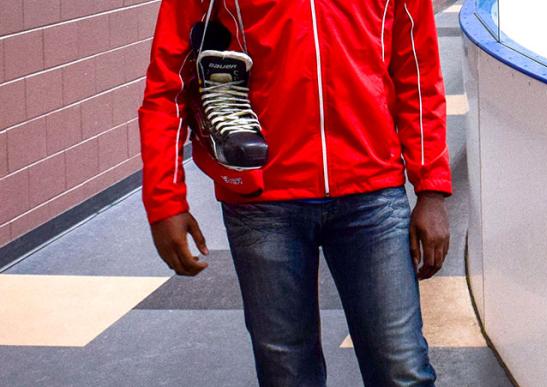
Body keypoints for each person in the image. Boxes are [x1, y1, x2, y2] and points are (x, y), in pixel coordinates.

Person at [138, 0, 452, 385]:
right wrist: (164, 199)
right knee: (287, 376)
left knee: (402, 371)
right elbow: (167, 83)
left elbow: (417, 70)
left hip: (371, 193)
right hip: (263, 199)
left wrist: (431, 187)